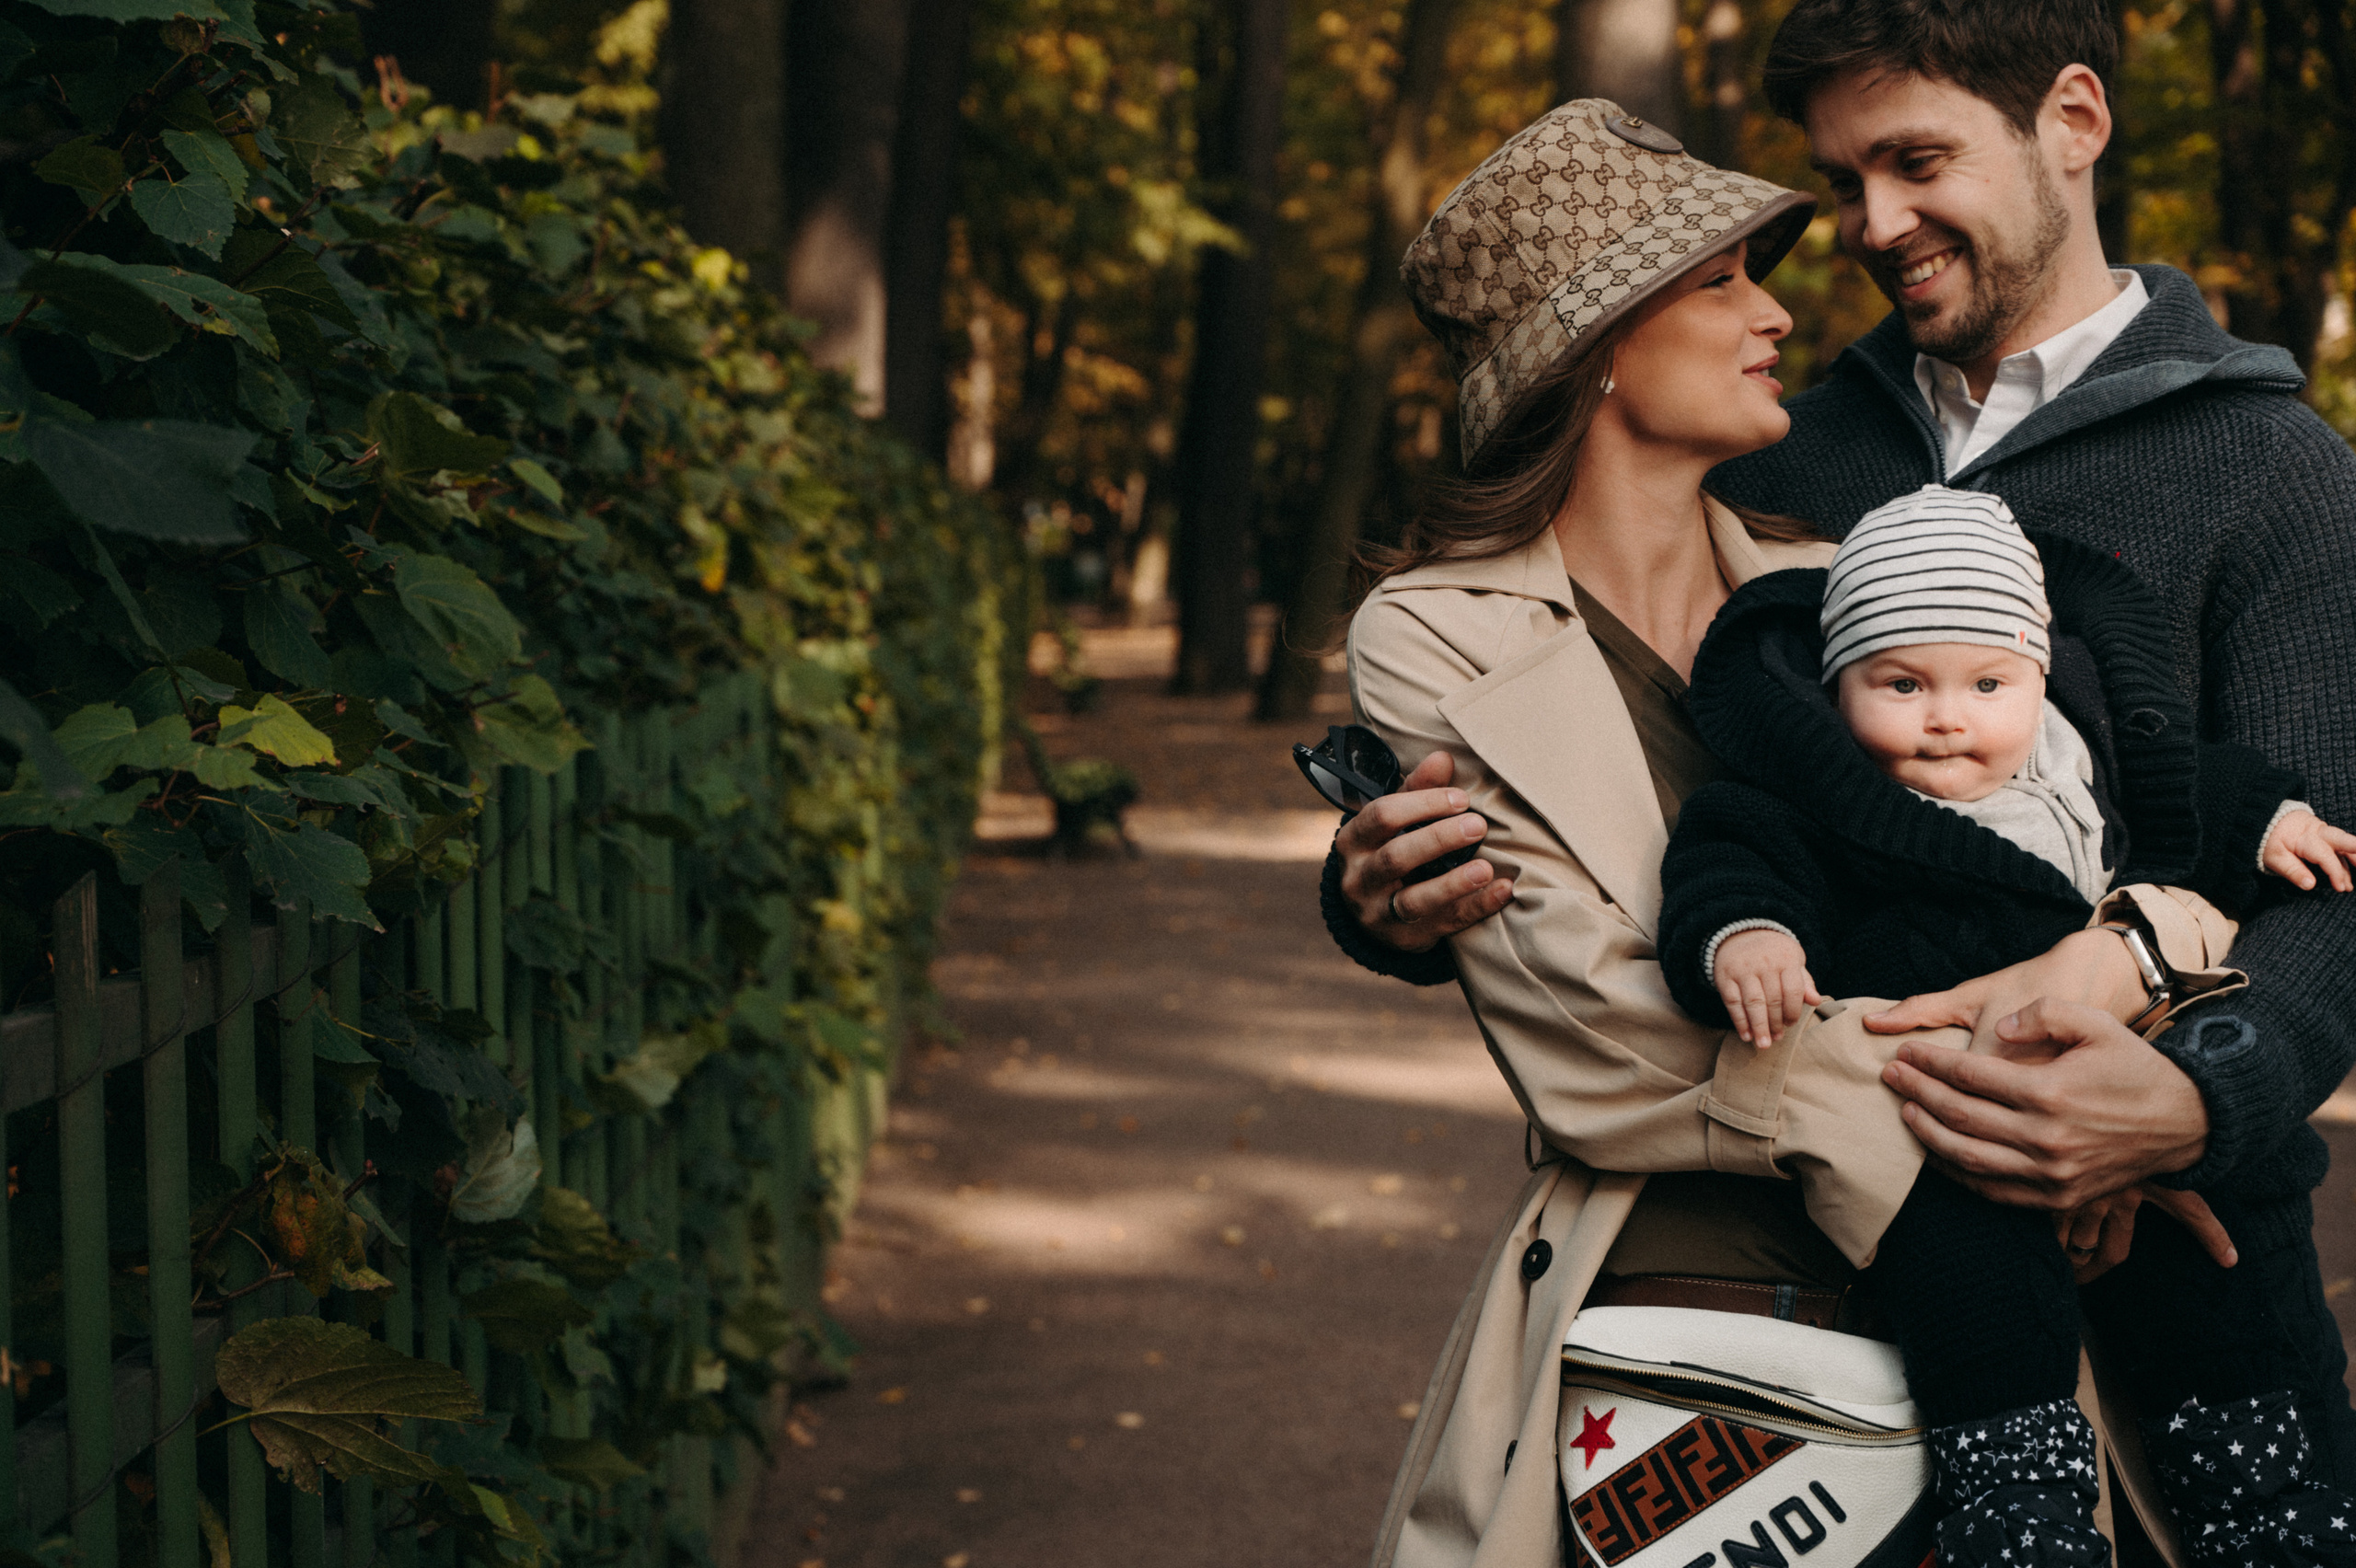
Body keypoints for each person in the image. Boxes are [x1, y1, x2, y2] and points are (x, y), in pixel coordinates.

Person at [1334, 4, 2356, 1563]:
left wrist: (2181, 1092)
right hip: (1745, 1306)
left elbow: (2311, 856)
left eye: (1914, 160)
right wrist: (1383, 901)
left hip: (2159, 1277)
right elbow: (1589, 830)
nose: (1867, 228)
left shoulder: (2276, 470)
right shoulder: (1791, 468)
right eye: (1843, 176)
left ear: (2073, 122)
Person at [1657, 481, 2356, 1562]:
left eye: (1988, 682)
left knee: (2224, 1263)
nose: (1947, 716)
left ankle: (2265, 1497)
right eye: (1900, 682)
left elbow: (2206, 795)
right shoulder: (1815, 796)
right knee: (1970, 1295)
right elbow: (1728, 855)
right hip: (1955, 1124)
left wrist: (2272, 820)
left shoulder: (2096, 763)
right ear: (1837, 685)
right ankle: (2016, 1496)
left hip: (2135, 1096)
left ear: (2039, 676)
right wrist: (1747, 935)